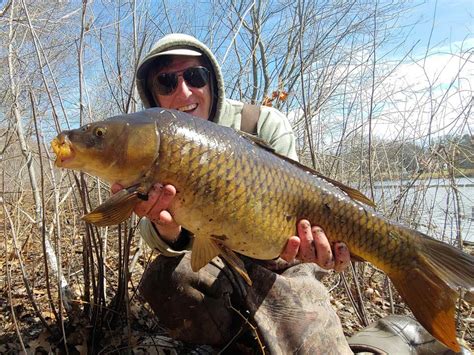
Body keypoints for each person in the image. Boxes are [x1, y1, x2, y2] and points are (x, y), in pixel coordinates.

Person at [114, 34, 462, 354]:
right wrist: (167, 228)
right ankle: (242, 340)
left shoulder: (261, 123)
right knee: (167, 279)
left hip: (282, 262)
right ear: (153, 97)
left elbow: (300, 212)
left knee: (308, 337)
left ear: (211, 80)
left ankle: (399, 312)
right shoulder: (153, 151)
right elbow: (160, 240)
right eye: (166, 81)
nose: (184, 92)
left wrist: (326, 250)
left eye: (195, 77)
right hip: (215, 259)